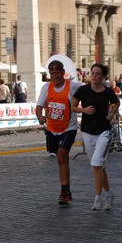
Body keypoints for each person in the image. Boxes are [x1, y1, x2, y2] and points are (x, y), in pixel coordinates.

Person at [71, 63, 119, 211]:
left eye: (98, 74)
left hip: (104, 131)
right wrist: (83, 110)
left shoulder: (108, 91)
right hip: (87, 131)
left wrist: (111, 113)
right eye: (93, 73)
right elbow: (72, 106)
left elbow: (116, 102)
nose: (94, 76)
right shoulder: (83, 90)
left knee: (97, 165)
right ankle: (109, 194)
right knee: (98, 167)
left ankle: (98, 198)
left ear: (103, 76)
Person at [35, 60, 83, 205]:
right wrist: (40, 116)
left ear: (63, 72)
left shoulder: (73, 87)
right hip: (52, 129)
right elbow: (39, 106)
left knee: (62, 155)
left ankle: (64, 191)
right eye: (52, 72)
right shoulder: (46, 87)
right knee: (61, 159)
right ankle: (66, 190)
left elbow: (89, 92)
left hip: (69, 128)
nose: (54, 75)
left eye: (57, 72)